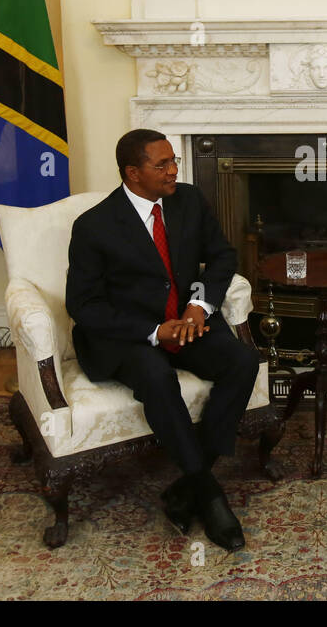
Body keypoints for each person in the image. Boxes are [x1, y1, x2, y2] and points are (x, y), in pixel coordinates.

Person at [65, 129, 260, 552]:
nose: (175, 170)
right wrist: (153, 331)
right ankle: (209, 495)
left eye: (174, 161)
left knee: (242, 362)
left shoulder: (187, 200)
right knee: (155, 375)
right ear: (133, 173)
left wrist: (199, 306)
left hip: (187, 322)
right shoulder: (94, 226)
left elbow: (224, 256)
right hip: (127, 335)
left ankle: (188, 485)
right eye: (163, 164)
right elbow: (83, 305)